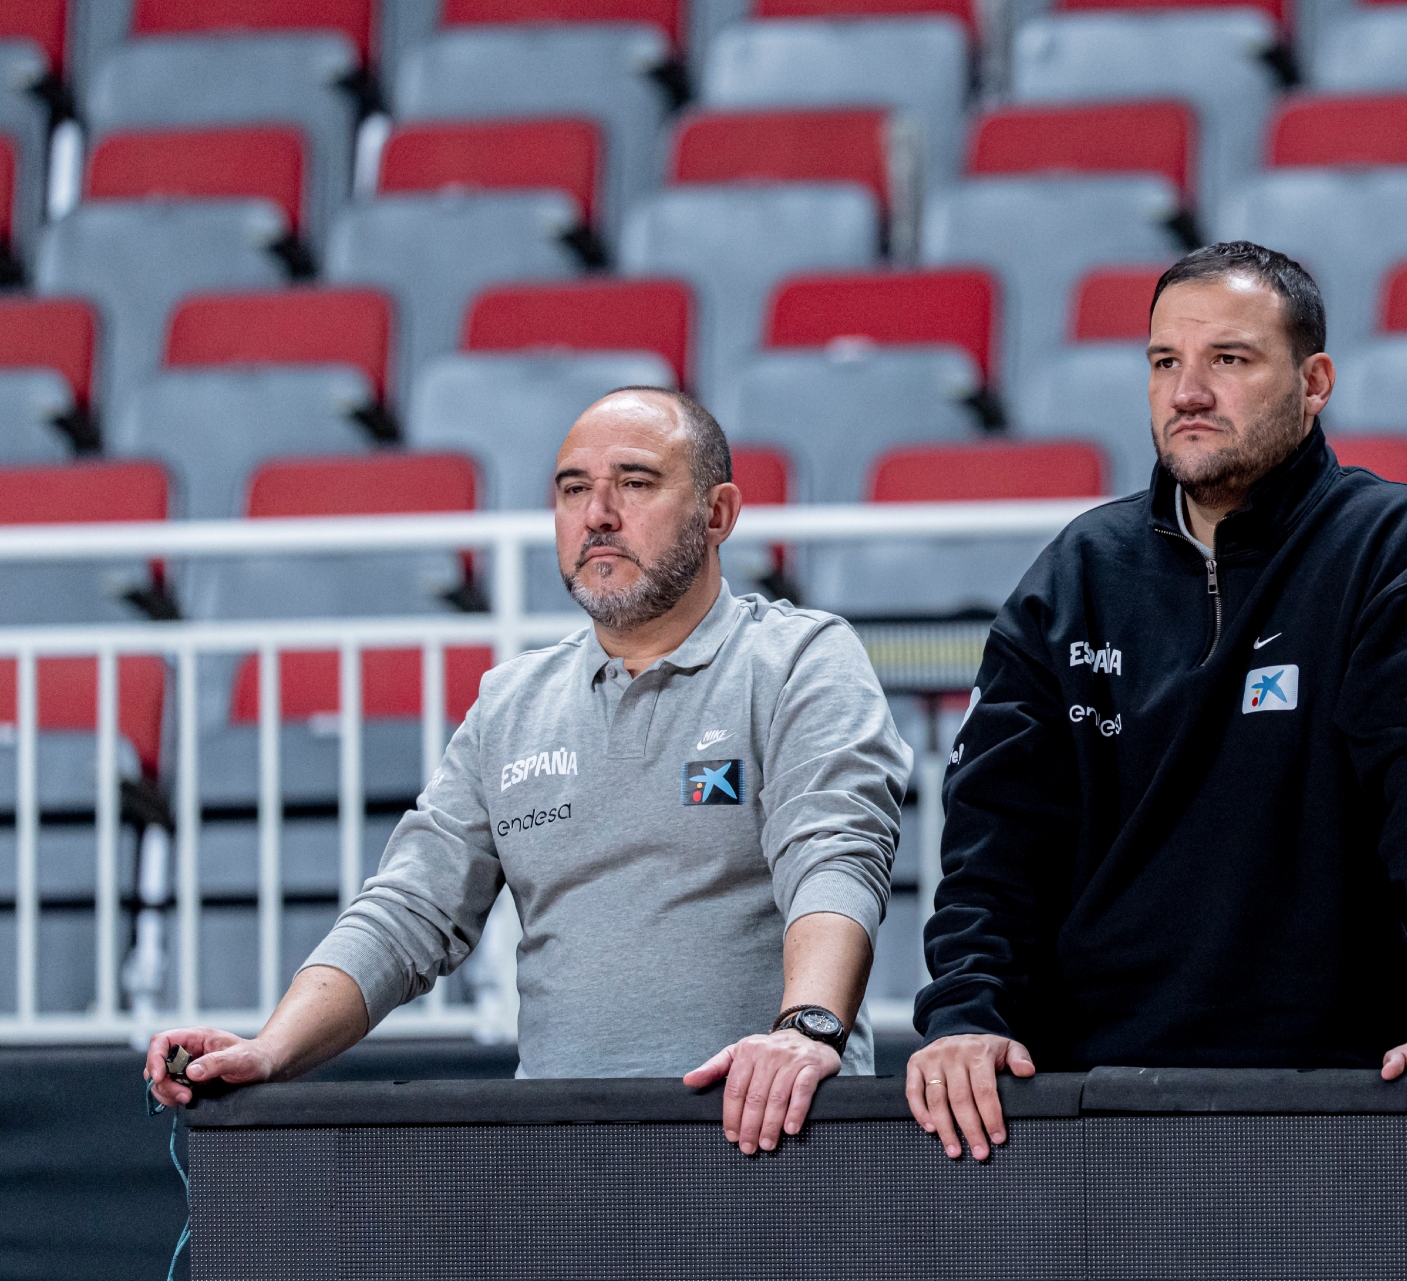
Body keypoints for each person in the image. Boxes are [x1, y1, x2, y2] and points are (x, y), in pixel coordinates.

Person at [144, 388, 912, 1157]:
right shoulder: (511, 701)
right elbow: (409, 910)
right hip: (560, 1161)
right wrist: (271, 1050)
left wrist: (808, 1029)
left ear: (718, 515)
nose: (598, 513)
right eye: (574, 489)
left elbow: (835, 854)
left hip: (773, 1135)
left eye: (636, 483)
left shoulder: (799, 660)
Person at [906, 241, 1407, 1162]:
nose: (1187, 391)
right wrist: (962, 1016)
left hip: (1340, 1095)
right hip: (1081, 1100)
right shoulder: (1076, 572)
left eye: (1228, 359)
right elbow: (995, 836)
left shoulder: (1395, 548)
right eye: (1165, 363)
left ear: (1314, 383)